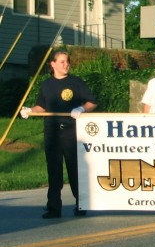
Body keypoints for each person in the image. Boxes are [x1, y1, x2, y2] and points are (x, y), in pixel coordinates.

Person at [20, 50, 97, 218]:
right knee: (54, 170)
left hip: (71, 131)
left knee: (74, 169)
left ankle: (81, 204)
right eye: (62, 61)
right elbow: (41, 106)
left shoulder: (76, 82)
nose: (66, 64)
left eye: (67, 61)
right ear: (52, 64)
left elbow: (91, 102)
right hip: (52, 132)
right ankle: (54, 207)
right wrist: (30, 111)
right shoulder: (46, 85)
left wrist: (81, 108)